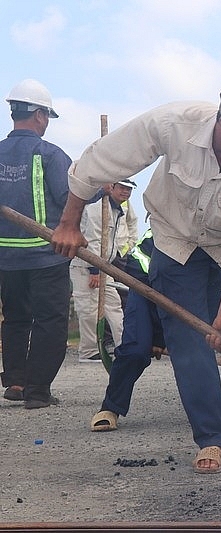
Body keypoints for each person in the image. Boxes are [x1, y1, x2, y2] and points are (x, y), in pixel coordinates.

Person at [51, 80, 221, 473]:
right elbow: (97, 162)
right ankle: (212, 439)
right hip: (176, 240)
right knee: (188, 341)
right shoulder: (172, 124)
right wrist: (69, 223)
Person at [0, 79, 72, 409]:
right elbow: (69, 195)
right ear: (40, 115)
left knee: (15, 318)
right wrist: (101, 187)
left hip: (6, 259)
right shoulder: (50, 154)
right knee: (51, 321)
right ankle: (37, 391)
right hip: (47, 256)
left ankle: (15, 380)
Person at [89, 229, 167, 431]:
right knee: (135, 350)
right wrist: (157, 335)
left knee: (196, 356)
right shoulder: (156, 234)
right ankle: (110, 407)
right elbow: (138, 263)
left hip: (194, 296)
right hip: (147, 290)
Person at [69, 179, 137, 362]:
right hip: (86, 267)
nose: (126, 192)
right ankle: (89, 352)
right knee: (88, 310)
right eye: (122, 187)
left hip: (105, 267)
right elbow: (92, 238)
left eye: (129, 189)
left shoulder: (117, 209)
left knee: (114, 306)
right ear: (111, 187)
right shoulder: (97, 207)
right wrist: (94, 270)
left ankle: (125, 345)